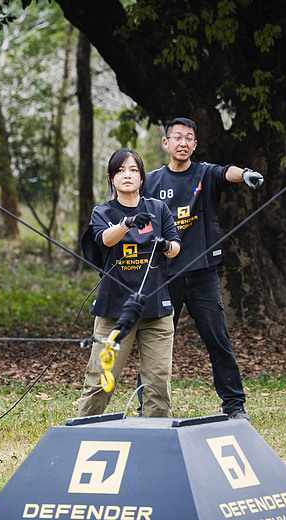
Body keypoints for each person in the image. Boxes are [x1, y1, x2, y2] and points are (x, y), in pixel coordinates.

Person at [142, 117, 264, 420]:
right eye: (177, 138)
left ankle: (235, 406)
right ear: (166, 143)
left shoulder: (204, 174)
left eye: (189, 139)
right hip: (164, 275)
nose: (183, 143)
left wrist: (246, 174)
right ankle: (151, 409)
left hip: (202, 274)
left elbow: (227, 173)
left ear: (195, 145)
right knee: (156, 345)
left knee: (218, 340)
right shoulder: (153, 181)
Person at [78, 148, 181, 418]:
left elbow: (176, 247)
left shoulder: (158, 209)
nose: (127, 175)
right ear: (111, 178)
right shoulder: (103, 212)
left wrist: (166, 245)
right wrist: (127, 222)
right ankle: (83, 432)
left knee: (158, 383)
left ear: (142, 177)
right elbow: (105, 240)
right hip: (115, 310)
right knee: (102, 379)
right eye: (121, 170)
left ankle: (155, 441)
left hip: (157, 309)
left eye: (133, 170)